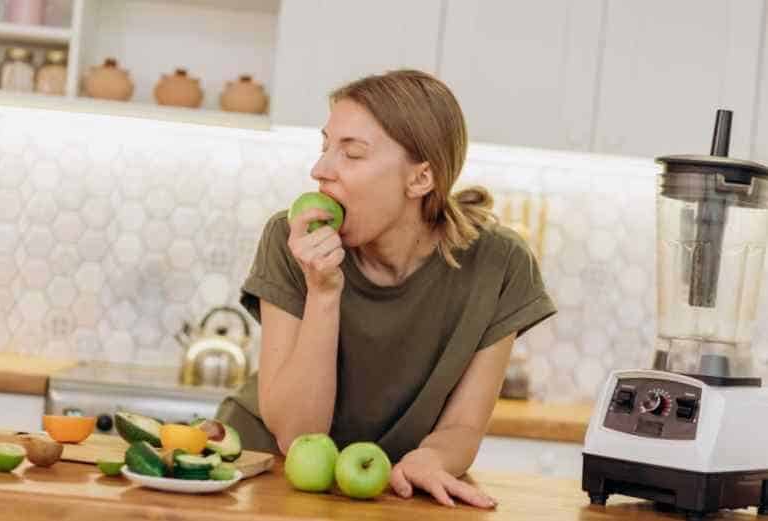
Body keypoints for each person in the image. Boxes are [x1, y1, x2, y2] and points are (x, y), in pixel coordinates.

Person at [217, 69, 556, 509]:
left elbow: (463, 427)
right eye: (325, 147)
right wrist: (322, 292)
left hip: (386, 488)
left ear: (420, 179)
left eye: (352, 154)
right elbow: (299, 435)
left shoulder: (499, 265)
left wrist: (431, 460)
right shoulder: (289, 239)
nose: (319, 170)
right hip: (263, 470)